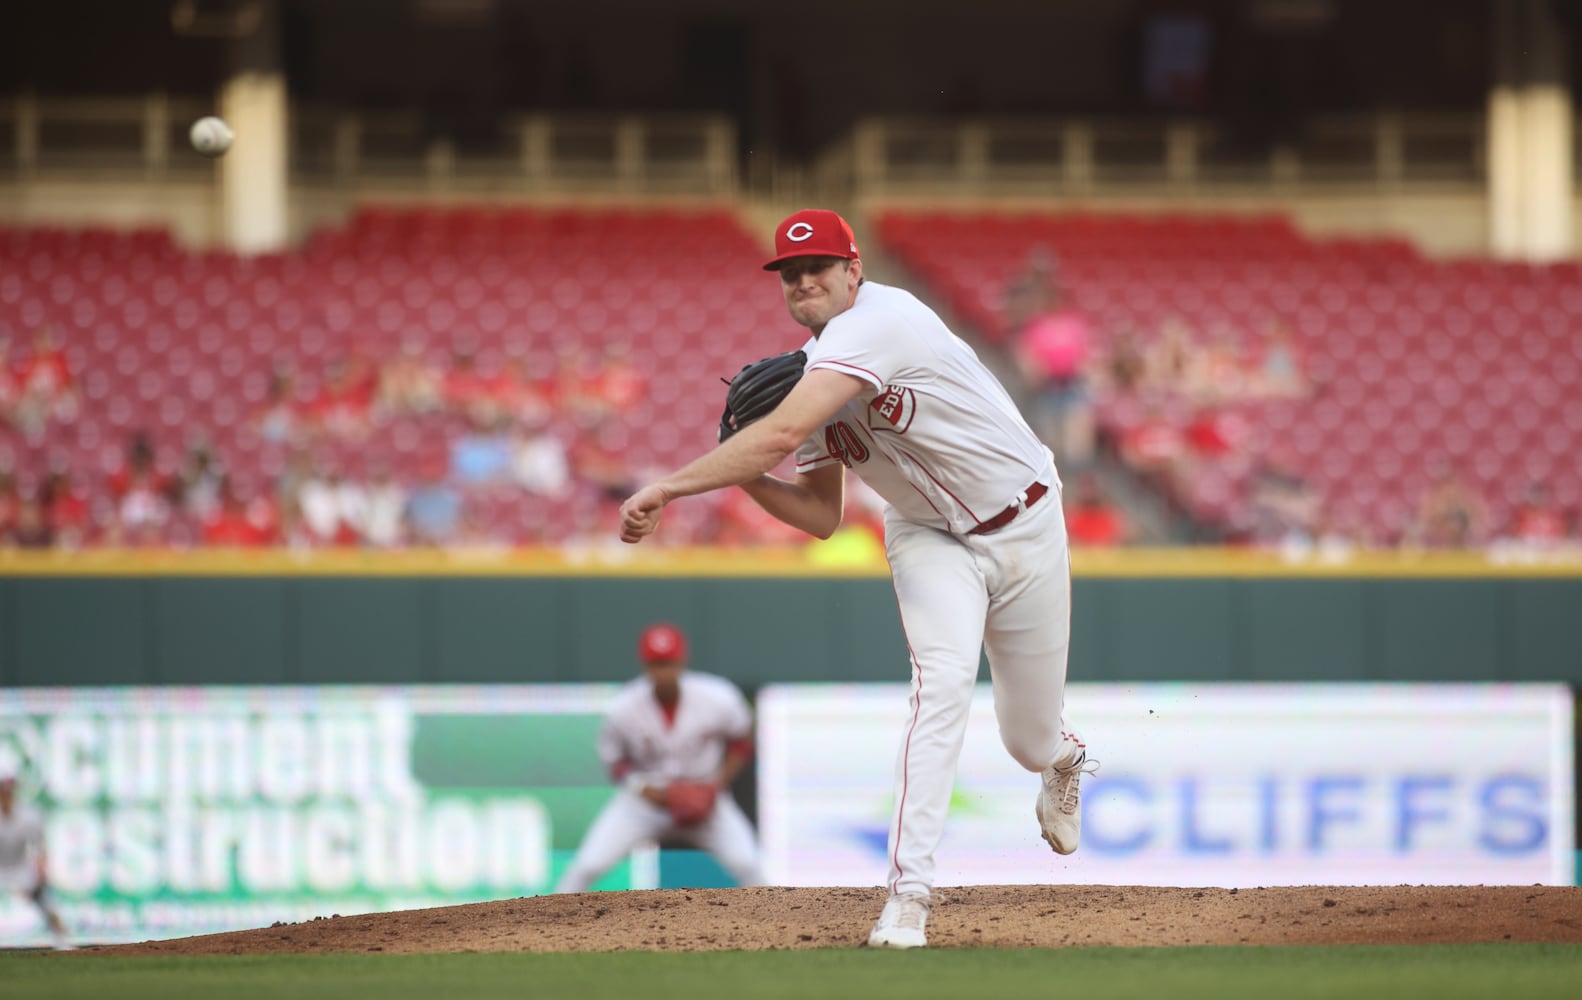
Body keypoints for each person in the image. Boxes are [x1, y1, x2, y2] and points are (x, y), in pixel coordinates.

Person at [616, 209, 1095, 949]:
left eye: (819, 267)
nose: (804, 280)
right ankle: (909, 899)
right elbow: (818, 515)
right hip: (929, 537)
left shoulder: (884, 317)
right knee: (939, 687)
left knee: (1026, 742)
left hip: (1025, 521)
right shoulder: (804, 384)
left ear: (854, 271)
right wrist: (744, 475)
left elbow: (772, 435)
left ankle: (1063, 758)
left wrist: (673, 486)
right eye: (790, 273)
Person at [554, 622, 765, 893]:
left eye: (668, 663)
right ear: (645, 665)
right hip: (645, 803)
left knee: (748, 863)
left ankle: (785, 929)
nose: (663, 672)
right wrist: (643, 788)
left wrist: (718, 784)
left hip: (706, 798)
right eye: (656, 664)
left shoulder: (717, 696)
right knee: (587, 866)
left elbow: (743, 739)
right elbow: (615, 762)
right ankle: (541, 929)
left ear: (681, 661)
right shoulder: (624, 706)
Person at [0, 763, 72, 950]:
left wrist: (41, 866)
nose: (6, 793)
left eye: (9, 789)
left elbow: (39, 845)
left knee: (46, 902)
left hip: (19, 865)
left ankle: (63, 942)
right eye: (3, 789)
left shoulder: (27, 815)